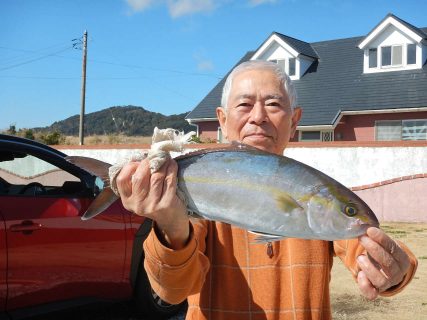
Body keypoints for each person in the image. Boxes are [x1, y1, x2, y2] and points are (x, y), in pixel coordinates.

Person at [116, 60, 418, 320]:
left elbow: (360, 243)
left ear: (295, 120)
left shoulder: (313, 188)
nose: (258, 117)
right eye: (244, 105)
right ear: (222, 119)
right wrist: (171, 223)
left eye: (273, 104)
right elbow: (172, 291)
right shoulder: (191, 198)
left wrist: (394, 269)